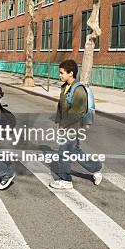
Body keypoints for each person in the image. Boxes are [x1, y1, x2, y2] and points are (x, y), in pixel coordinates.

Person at [50, 59, 103, 189]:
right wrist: (58, 120)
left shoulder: (79, 90)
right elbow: (61, 106)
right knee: (75, 151)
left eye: (62, 73)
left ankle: (66, 180)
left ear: (71, 73)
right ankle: (96, 168)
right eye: (60, 72)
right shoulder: (65, 87)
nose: (60, 75)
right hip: (67, 126)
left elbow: (78, 112)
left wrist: (64, 125)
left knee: (63, 152)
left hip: (73, 128)